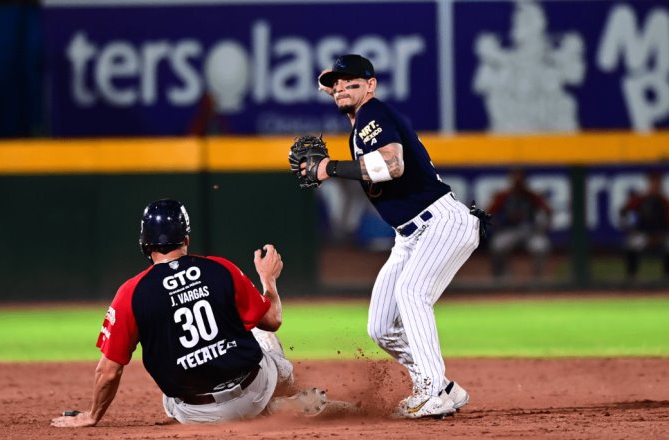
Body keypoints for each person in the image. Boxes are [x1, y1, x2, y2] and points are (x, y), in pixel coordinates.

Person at [311, 54, 483, 418]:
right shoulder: (360, 125)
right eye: (335, 82)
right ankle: (444, 388)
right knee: (381, 327)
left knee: (411, 292)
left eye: (351, 80)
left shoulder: (375, 114)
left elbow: (393, 165)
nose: (340, 86)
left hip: (440, 222)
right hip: (409, 235)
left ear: (371, 85)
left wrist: (329, 168)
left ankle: (433, 389)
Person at [51, 199, 317, 428]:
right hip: (254, 391)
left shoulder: (130, 294)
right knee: (257, 326)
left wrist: (92, 416)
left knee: (168, 394)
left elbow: (109, 371)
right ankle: (279, 395)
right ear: (186, 239)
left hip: (196, 412)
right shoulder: (220, 268)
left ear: (145, 244)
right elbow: (273, 320)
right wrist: (267, 279)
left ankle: (263, 409)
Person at [486, 168, 553, 279]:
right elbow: (488, 213)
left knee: (541, 247)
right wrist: (496, 225)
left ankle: (538, 279)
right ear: (511, 180)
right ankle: (500, 278)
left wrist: (543, 227)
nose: (518, 181)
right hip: (509, 230)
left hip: (530, 232)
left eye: (520, 178)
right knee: (497, 245)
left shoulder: (531, 195)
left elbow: (548, 212)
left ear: (525, 180)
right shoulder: (503, 196)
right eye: (515, 178)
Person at [619, 171, 669, 280]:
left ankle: (666, 276)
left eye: (657, 183)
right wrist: (631, 228)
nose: (655, 186)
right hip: (643, 235)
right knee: (631, 243)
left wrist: (660, 236)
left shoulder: (664, 201)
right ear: (648, 184)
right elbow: (624, 213)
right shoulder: (640, 200)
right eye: (652, 183)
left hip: (661, 236)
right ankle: (632, 276)